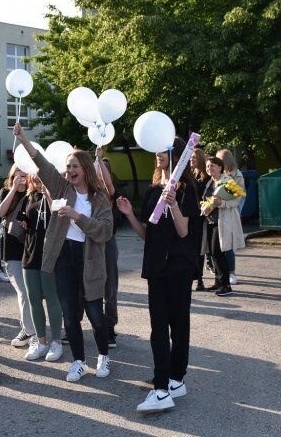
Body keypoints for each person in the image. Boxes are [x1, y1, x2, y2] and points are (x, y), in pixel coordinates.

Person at [14, 123, 113, 382]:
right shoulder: (61, 188)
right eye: (67, 167)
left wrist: (77, 217)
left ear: (85, 170)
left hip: (90, 260)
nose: (69, 170)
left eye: (74, 167)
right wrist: (24, 139)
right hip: (63, 258)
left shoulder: (99, 197)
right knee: (70, 314)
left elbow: (104, 232)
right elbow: (42, 164)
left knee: (95, 315)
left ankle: (103, 355)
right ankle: (79, 361)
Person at [117, 139, 199, 413]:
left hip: (178, 267)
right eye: (156, 150)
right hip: (156, 267)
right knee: (158, 328)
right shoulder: (152, 191)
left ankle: (173, 381)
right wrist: (129, 215)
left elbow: (184, 231)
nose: (157, 155)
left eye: (162, 150)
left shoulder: (187, 191)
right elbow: (146, 235)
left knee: (179, 325)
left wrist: (173, 203)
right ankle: (164, 384)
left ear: (176, 155)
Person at [19, 174, 64, 361]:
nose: (37, 177)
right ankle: (41, 342)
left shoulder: (58, 195)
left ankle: (56, 343)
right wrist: (24, 222)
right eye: (34, 175)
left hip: (49, 256)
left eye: (40, 174)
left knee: (52, 299)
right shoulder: (28, 197)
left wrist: (48, 195)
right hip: (30, 255)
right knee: (34, 300)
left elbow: (60, 216)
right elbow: (24, 220)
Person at [0, 164, 36, 348]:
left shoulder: (34, 194)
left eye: (25, 173)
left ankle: (32, 331)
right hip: (12, 250)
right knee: (23, 293)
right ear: (12, 175)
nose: (21, 177)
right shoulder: (6, 191)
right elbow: (0, 212)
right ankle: (29, 331)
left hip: (31, 249)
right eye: (17, 173)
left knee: (32, 293)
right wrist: (13, 189)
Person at [200, 156, 245, 296]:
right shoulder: (210, 183)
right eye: (207, 166)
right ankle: (218, 282)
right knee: (213, 253)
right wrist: (206, 207)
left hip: (222, 222)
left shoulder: (227, 181)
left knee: (218, 253)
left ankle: (225, 285)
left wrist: (221, 204)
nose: (209, 168)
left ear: (220, 167)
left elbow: (236, 200)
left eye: (212, 165)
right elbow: (207, 201)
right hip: (210, 222)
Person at [96, 147, 120, 348]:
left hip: (108, 243)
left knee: (109, 288)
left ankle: (110, 327)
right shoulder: (85, 192)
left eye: (102, 170)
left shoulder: (109, 193)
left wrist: (98, 159)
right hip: (89, 244)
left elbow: (108, 183)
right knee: (83, 289)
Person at [216, 149, 244, 285]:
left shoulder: (237, 175)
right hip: (217, 213)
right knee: (217, 245)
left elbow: (238, 197)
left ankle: (232, 272)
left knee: (228, 245)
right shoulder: (217, 174)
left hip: (230, 212)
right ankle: (219, 271)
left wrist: (223, 203)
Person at [190, 147, 210, 291]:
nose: (191, 160)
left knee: (199, 249)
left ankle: (199, 279)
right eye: (190, 157)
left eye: (194, 158)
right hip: (189, 215)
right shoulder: (190, 174)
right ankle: (192, 277)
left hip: (200, 217)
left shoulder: (206, 178)